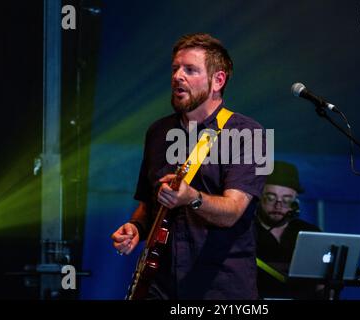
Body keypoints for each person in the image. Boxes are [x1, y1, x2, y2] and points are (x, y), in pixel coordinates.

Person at [111, 33, 267, 299]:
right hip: (160, 285)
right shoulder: (158, 132)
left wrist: (191, 198)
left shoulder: (248, 132)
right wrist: (135, 227)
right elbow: (149, 204)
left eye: (190, 70)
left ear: (218, 80)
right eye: (175, 69)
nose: (177, 76)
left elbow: (233, 211)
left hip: (219, 288)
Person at [255, 160, 323, 299]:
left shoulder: (310, 232)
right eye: (270, 198)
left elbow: (322, 284)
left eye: (286, 200)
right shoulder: (243, 232)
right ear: (260, 197)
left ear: (295, 202)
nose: (278, 206)